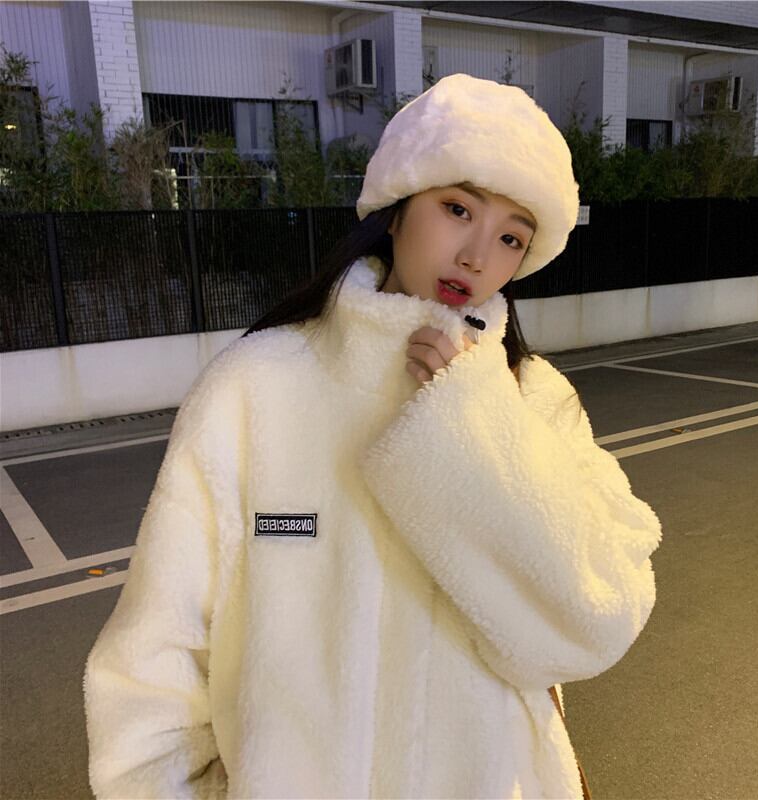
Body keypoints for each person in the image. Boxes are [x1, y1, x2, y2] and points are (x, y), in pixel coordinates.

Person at [83, 73, 662, 799]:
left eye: (511, 236)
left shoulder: (531, 399)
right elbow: (157, 659)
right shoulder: (256, 387)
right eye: (458, 209)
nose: (477, 256)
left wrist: (472, 428)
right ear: (396, 208)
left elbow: (599, 619)